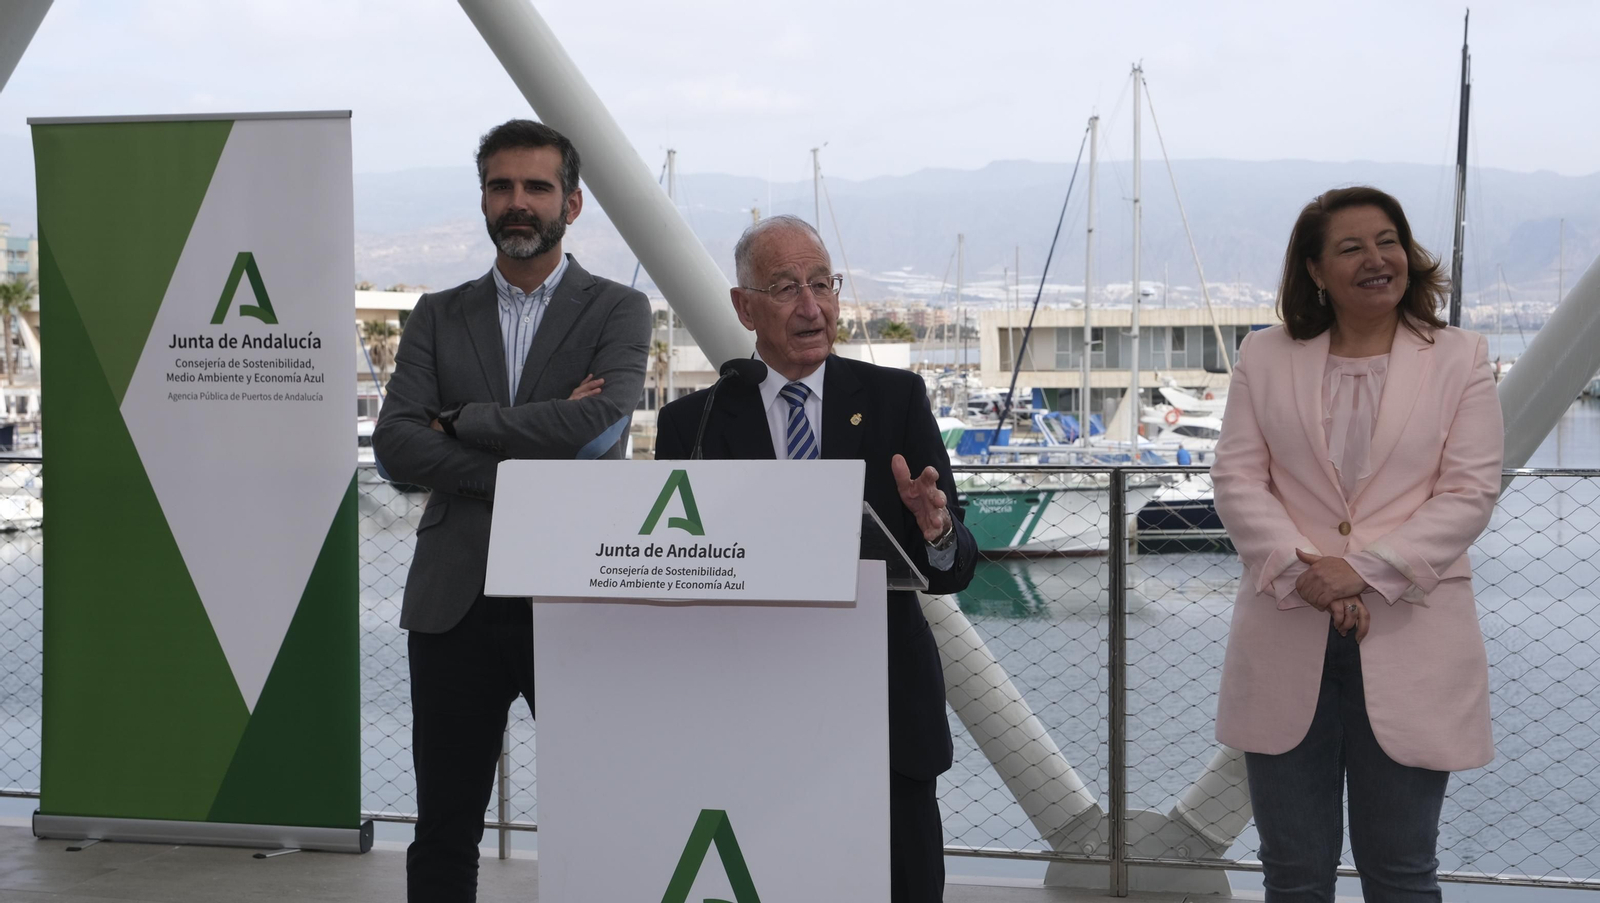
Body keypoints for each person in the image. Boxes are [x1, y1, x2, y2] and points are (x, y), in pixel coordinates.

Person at [655, 214, 977, 903]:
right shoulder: (696, 424)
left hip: (886, 716)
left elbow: (954, 569)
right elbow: (675, 569)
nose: (811, 306)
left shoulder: (895, 400)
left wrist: (938, 527)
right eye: (785, 287)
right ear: (745, 307)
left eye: (822, 284)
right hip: (755, 716)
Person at [372, 119, 651, 902]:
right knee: (445, 829)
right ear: (484, 200)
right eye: (502, 186)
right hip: (452, 600)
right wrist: (531, 463)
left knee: (597, 816)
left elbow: (597, 423)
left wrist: (460, 420)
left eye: (536, 187)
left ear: (573, 202)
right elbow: (395, 442)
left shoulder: (620, 311)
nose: (518, 203)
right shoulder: (436, 312)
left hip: (574, 594)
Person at [1212, 186, 1503, 903]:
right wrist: (1307, 572)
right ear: (1314, 269)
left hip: (1411, 636)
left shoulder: (1460, 357)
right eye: (1351, 247)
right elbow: (1238, 478)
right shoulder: (1265, 356)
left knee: (1402, 872)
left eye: (1388, 241)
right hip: (1287, 630)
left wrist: (1360, 573)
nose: (1377, 259)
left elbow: (1469, 492)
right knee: (1293, 873)